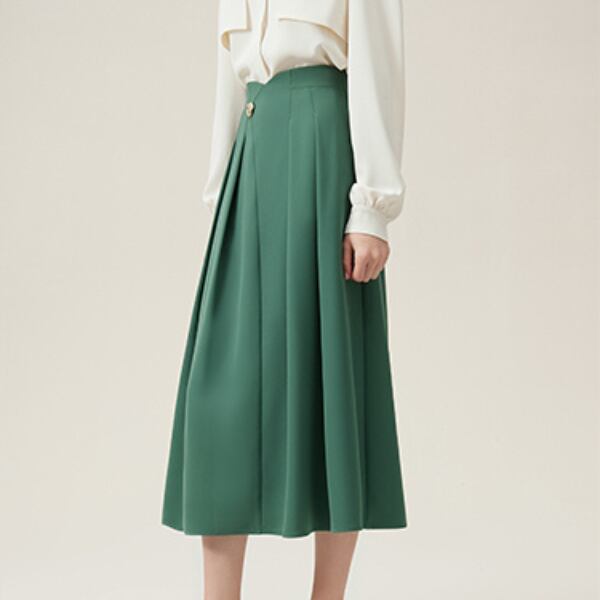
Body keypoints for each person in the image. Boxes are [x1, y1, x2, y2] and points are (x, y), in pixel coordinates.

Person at [162, 0, 409, 597]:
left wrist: (371, 208)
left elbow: (379, 65)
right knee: (219, 393)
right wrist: (223, 194)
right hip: (252, 156)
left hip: (322, 155)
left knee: (331, 384)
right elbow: (232, 80)